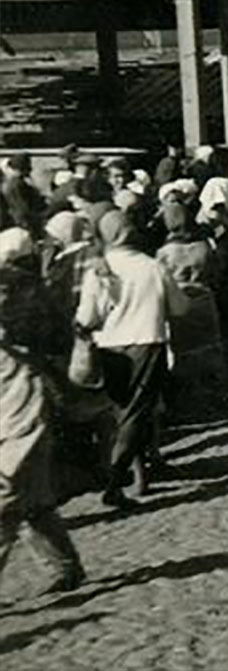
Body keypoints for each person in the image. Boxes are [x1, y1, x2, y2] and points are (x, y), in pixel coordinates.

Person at [76, 210, 185, 509]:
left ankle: (139, 476)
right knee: (138, 412)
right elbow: (180, 308)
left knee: (125, 412)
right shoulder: (153, 267)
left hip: (111, 348)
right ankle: (116, 482)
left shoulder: (98, 270)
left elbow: (86, 317)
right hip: (147, 343)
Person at [0, 228, 85, 597]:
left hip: (21, 404)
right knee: (33, 500)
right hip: (17, 402)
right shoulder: (32, 292)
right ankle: (66, 566)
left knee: (6, 496)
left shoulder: (19, 295)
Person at [156, 202, 225, 415]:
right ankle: (210, 397)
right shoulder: (203, 246)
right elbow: (217, 271)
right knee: (207, 348)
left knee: (182, 351)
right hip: (204, 300)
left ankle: (188, 400)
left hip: (180, 304)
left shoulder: (165, 252)